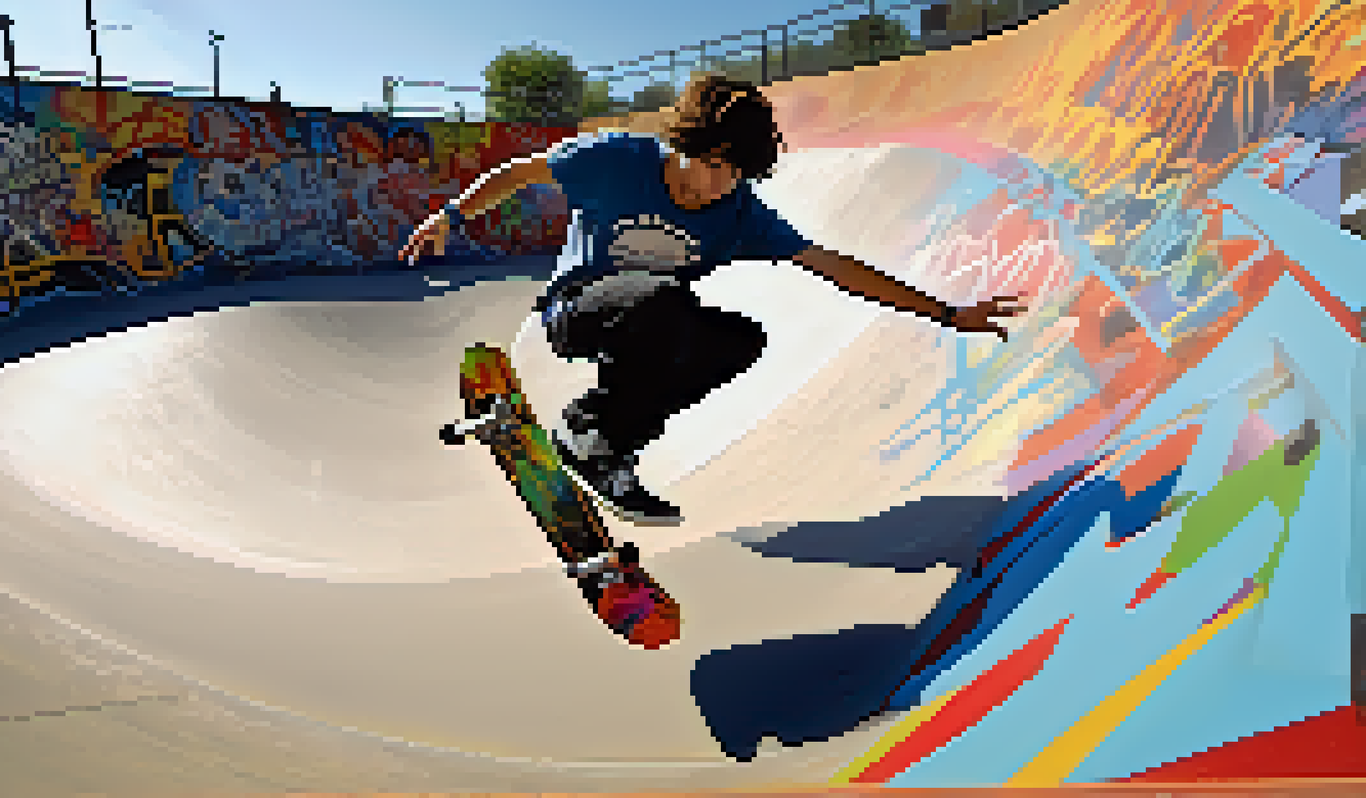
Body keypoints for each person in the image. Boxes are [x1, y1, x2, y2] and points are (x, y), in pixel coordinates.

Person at [402, 73, 1024, 526]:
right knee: (663, 309)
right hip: (576, 311)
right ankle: (589, 434)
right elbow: (523, 172)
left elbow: (833, 267)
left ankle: (603, 438)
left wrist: (946, 312)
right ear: (686, 145)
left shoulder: (742, 215)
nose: (719, 187)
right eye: (713, 168)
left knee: (737, 341)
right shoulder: (615, 158)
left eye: (736, 175)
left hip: (650, 322)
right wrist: (450, 217)